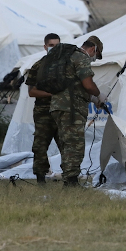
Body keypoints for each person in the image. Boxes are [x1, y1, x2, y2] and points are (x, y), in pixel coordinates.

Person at [50, 36, 104, 187]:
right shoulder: (82, 57)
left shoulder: (67, 56)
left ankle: (68, 178)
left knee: (67, 144)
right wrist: (98, 95)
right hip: (71, 108)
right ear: (93, 49)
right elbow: (87, 83)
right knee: (75, 145)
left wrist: (91, 98)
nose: (94, 59)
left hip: (57, 106)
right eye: (96, 55)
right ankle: (71, 181)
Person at [25, 32, 62, 183]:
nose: (54, 48)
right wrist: (51, 94)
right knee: (40, 146)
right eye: (51, 46)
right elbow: (32, 91)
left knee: (67, 145)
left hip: (62, 112)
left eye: (57, 46)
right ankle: (41, 177)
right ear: (45, 47)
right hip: (43, 113)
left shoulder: (67, 66)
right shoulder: (38, 66)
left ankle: (70, 178)